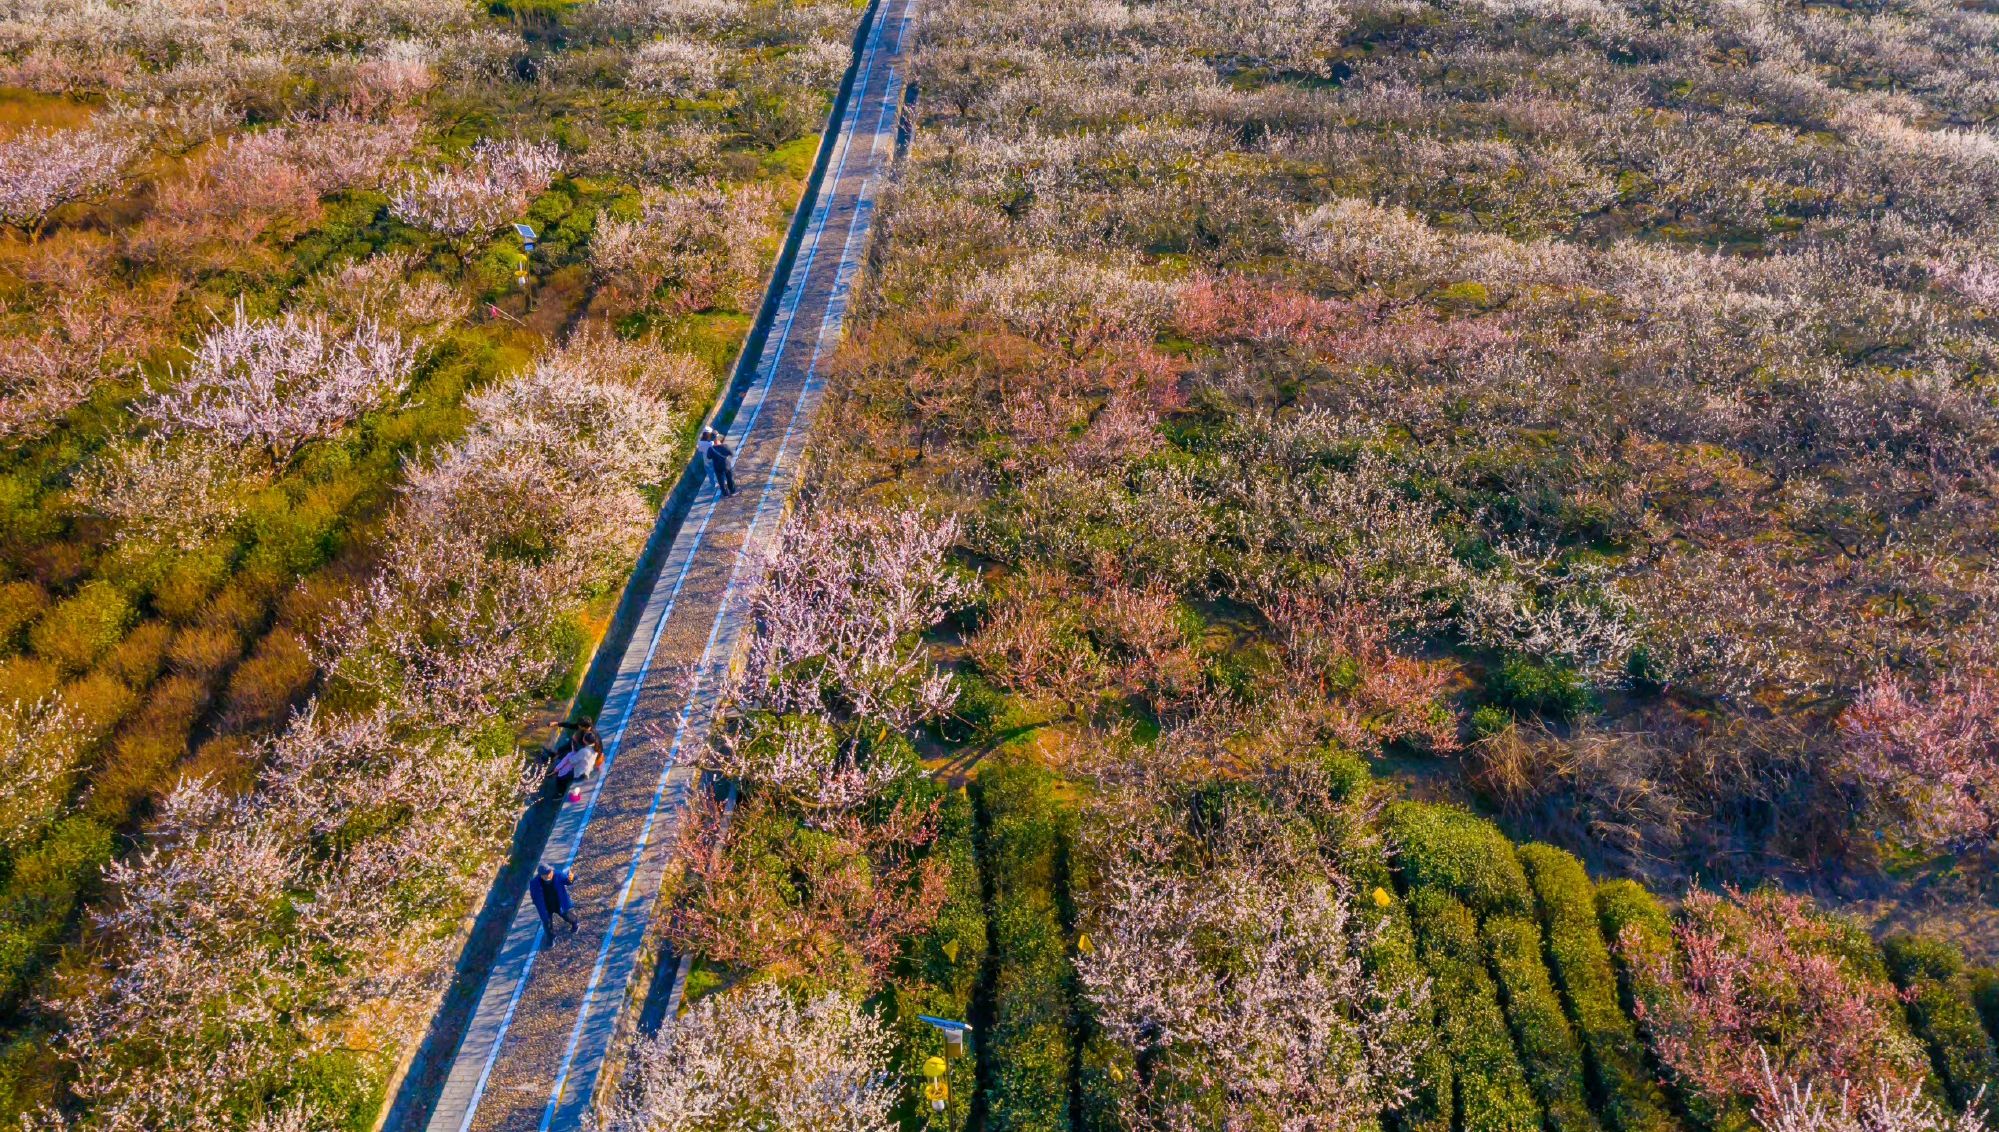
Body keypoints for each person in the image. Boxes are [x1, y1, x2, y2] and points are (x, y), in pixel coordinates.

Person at [529, 863, 577, 938]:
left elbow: (567, 881)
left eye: (549, 873)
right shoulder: (534, 883)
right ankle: (551, 938)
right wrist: (535, 902)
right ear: (541, 875)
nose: (548, 875)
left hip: (559, 903)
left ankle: (575, 924)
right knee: (547, 924)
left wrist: (572, 878)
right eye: (545, 874)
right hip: (545, 906)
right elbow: (533, 894)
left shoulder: (558, 875)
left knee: (567, 916)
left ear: (551, 871)